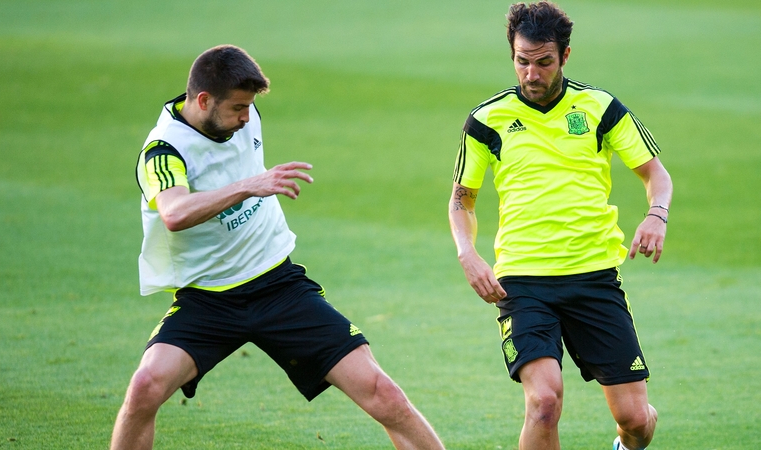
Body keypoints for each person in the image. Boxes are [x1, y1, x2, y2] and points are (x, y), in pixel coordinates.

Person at [110, 44, 445, 450]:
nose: (246, 117)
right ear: (202, 100)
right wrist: (249, 186)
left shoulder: (241, 116)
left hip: (278, 286)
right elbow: (175, 213)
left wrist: (250, 176)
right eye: (237, 108)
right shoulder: (163, 151)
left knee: (384, 394)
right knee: (145, 386)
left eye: (250, 107)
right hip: (209, 300)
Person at [448, 2, 671, 449]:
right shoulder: (486, 120)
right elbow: (462, 200)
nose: (532, 73)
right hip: (523, 282)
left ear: (565, 56)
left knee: (635, 422)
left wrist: (655, 214)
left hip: (593, 277)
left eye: (544, 62)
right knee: (544, 402)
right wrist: (467, 253)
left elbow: (655, 175)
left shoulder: (599, 108)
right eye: (522, 61)